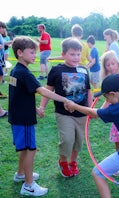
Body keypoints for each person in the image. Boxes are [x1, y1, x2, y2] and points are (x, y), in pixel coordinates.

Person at [64, 50, 119, 197]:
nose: (107, 101)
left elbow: (93, 113)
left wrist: (74, 106)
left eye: (106, 97)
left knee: (98, 172)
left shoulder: (115, 110)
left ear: (112, 94)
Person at [9, 36, 71, 197]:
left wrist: (36, 108)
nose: (35, 55)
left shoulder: (16, 70)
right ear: (20, 53)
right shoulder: (24, 73)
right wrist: (63, 98)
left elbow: (19, 97)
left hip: (18, 117)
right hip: (24, 120)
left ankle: (21, 174)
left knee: (25, 149)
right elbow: (42, 91)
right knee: (31, 149)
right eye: (31, 52)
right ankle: (29, 185)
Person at [39, 37, 93, 177]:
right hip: (64, 113)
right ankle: (63, 162)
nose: (76, 57)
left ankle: (73, 162)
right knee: (67, 139)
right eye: (72, 54)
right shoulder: (57, 70)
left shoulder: (83, 70)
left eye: (78, 54)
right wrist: (42, 107)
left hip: (81, 113)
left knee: (78, 141)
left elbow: (88, 91)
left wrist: (91, 109)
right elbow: (48, 89)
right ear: (63, 55)